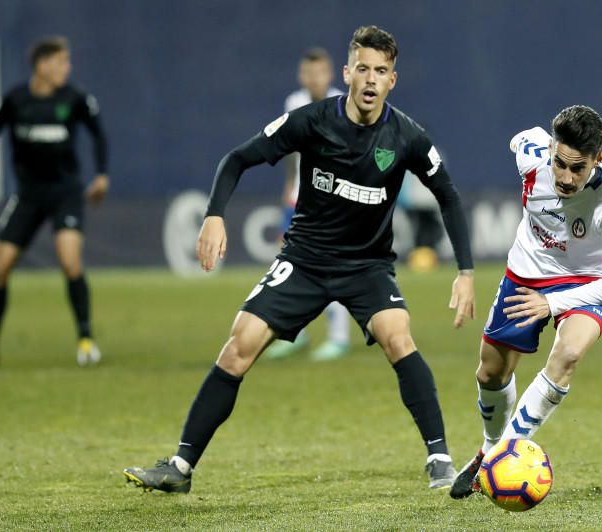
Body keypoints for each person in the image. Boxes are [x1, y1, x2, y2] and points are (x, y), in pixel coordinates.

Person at [124, 25, 475, 493]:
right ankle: (180, 467)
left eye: (382, 72)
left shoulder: (407, 136)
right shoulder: (311, 120)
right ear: (348, 73)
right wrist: (213, 216)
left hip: (366, 266)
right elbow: (235, 159)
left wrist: (466, 272)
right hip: (305, 260)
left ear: (394, 80)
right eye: (364, 69)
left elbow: (448, 197)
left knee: (398, 337)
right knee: (239, 345)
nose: (371, 80)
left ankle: (440, 460)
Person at [448, 105, 602, 499]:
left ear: (598, 160)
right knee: (490, 374)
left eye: (579, 168)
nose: (566, 178)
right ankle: (489, 445)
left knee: (568, 354)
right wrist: (540, 297)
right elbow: (520, 137)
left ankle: (499, 459)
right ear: (551, 149)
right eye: (561, 164)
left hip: (587, 281)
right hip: (528, 270)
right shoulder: (531, 155)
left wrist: (554, 304)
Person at [0, 36, 109, 371]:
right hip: (28, 195)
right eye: (61, 62)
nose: (67, 68)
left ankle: (86, 339)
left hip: (65, 193)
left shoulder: (73, 98)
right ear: (42, 65)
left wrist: (102, 175)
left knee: (70, 263)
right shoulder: (16, 100)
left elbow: (98, 132)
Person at [264, 47, 350, 362]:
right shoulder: (294, 104)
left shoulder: (344, 104)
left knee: (332, 268)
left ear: (330, 74)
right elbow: (291, 154)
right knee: (289, 265)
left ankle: (339, 338)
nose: (313, 78)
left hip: (335, 200)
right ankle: (295, 334)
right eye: (308, 73)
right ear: (301, 76)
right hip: (300, 198)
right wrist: (289, 189)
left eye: (319, 72)